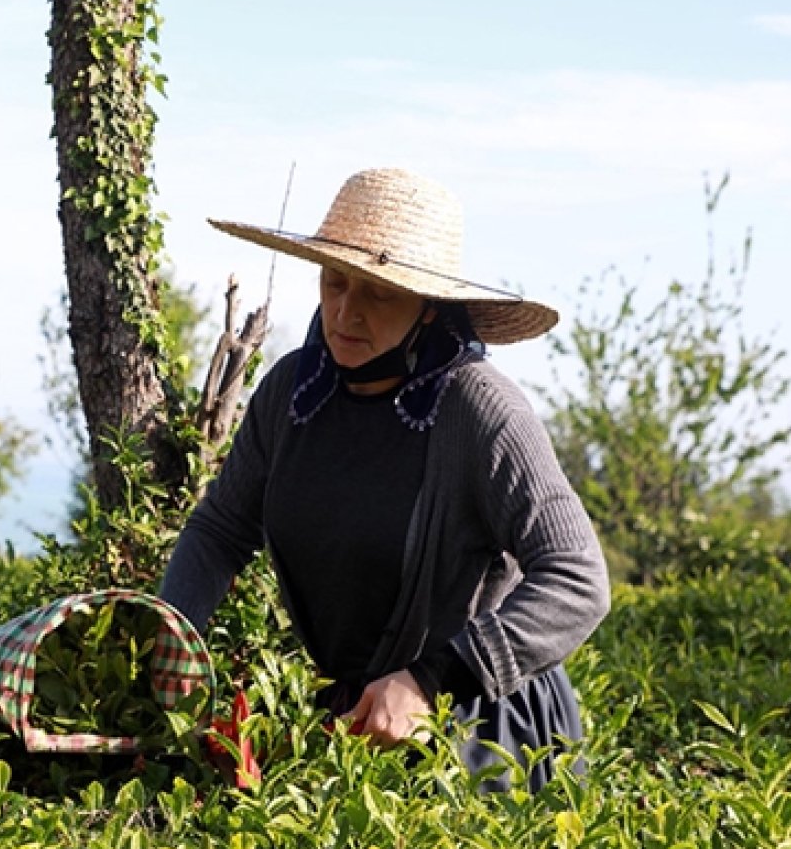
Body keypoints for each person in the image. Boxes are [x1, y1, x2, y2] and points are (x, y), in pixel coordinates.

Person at [159, 168, 610, 792]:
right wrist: (170, 632)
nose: (347, 311)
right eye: (335, 282)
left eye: (379, 293)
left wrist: (431, 678)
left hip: (483, 730)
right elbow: (222, 527)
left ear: (428, 307)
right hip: (354, 720)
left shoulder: (479, 412)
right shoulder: (291, 394)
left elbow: (579, 580)